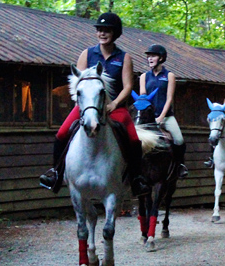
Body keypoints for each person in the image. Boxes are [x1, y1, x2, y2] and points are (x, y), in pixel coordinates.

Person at [39, 12, 151, 196]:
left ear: (115, 33)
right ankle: (56, 173)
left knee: (133, 139)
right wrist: (83, 105)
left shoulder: (124, 58)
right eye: (100, 30)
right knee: (60, 134)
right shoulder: (87, 53)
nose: (102, 33)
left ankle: (136, 179)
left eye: (107, 30)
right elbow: (78, 82)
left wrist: (114, 104)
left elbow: (128, 85)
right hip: (88, 107)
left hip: (113, 107)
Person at [139, 44, 188, 178]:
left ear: (161, 58)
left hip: (165, 116)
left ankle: (179, 166)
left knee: (179, 139)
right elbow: (143, 97)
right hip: (148, 118)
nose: (149, 58)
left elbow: (169, 98)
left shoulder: (169, 75)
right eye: (148, 56)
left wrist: (161, 117)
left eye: (153, 56)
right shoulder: (144, 76)